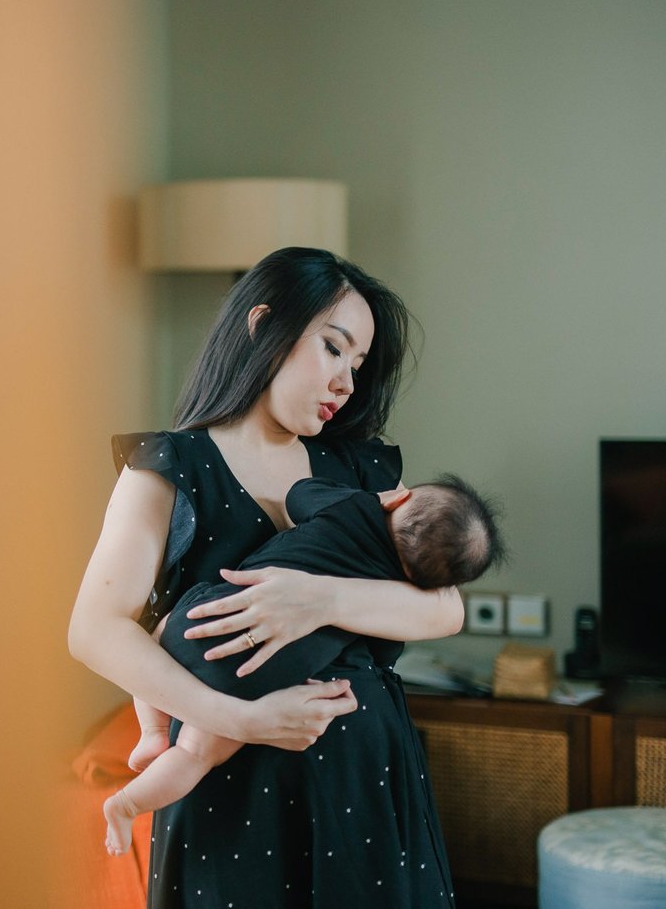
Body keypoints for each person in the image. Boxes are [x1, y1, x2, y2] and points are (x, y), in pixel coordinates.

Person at [68, 246, 467, 907]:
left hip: (365, 777)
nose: (346, 380)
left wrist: (316, 600)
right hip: (229, 792)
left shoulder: (360, 470)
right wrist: (236, 718)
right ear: (263, 326)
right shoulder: (170, 466)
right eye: (333, 349)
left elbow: (445, 609)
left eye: (359, 363)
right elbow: (93, 630)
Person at [103, 472, 504, 856]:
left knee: (155, 637)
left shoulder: (351, 509)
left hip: (209, 620)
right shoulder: (391, 593)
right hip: (258, 678)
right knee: (194, 754)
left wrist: (363, 499)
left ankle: (153, 730)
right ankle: (125, 804)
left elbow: (300, 494)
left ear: (398, 498)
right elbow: (386, 652)